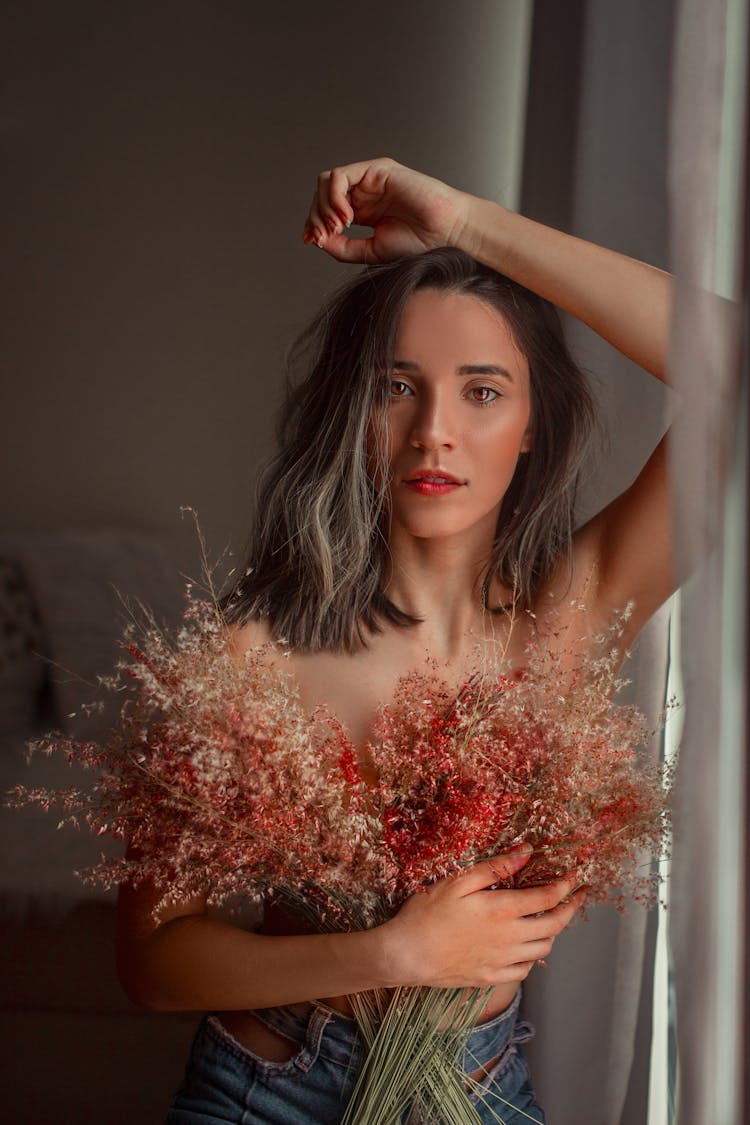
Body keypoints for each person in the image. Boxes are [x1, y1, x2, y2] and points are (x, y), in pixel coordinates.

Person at [116, 157, 673, 1123]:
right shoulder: (251, 652)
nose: (434, 434)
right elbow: (152, 961)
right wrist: (396, 954)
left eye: (484, 391)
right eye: (396, 387)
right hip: (263, 1092)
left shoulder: (570, 618)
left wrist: (468, 224)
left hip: (478, 1091)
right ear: (353, 411)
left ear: (535, 418)